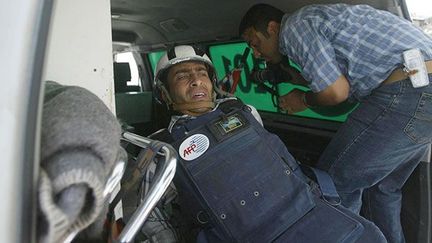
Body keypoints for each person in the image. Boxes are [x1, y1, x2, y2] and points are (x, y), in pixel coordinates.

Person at [126, 44, 387, 243]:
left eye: (201, 73)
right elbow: (149, 217)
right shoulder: (161, 149)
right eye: (182, 76)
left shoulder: (245, 112)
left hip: (307, 210)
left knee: (371, 235)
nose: (196, 81)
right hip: (250, 234)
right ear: (164, 92)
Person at [239, 3, 432, 243]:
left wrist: (302, 99)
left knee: (332, 184)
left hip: (409, 91)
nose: (256, 53)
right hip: (422, 90)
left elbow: (336, 92)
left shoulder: (295, 26)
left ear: (272, 27)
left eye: (255, 43)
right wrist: (300, 80)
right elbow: (344, 89)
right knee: (381, 189)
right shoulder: (324, 20)